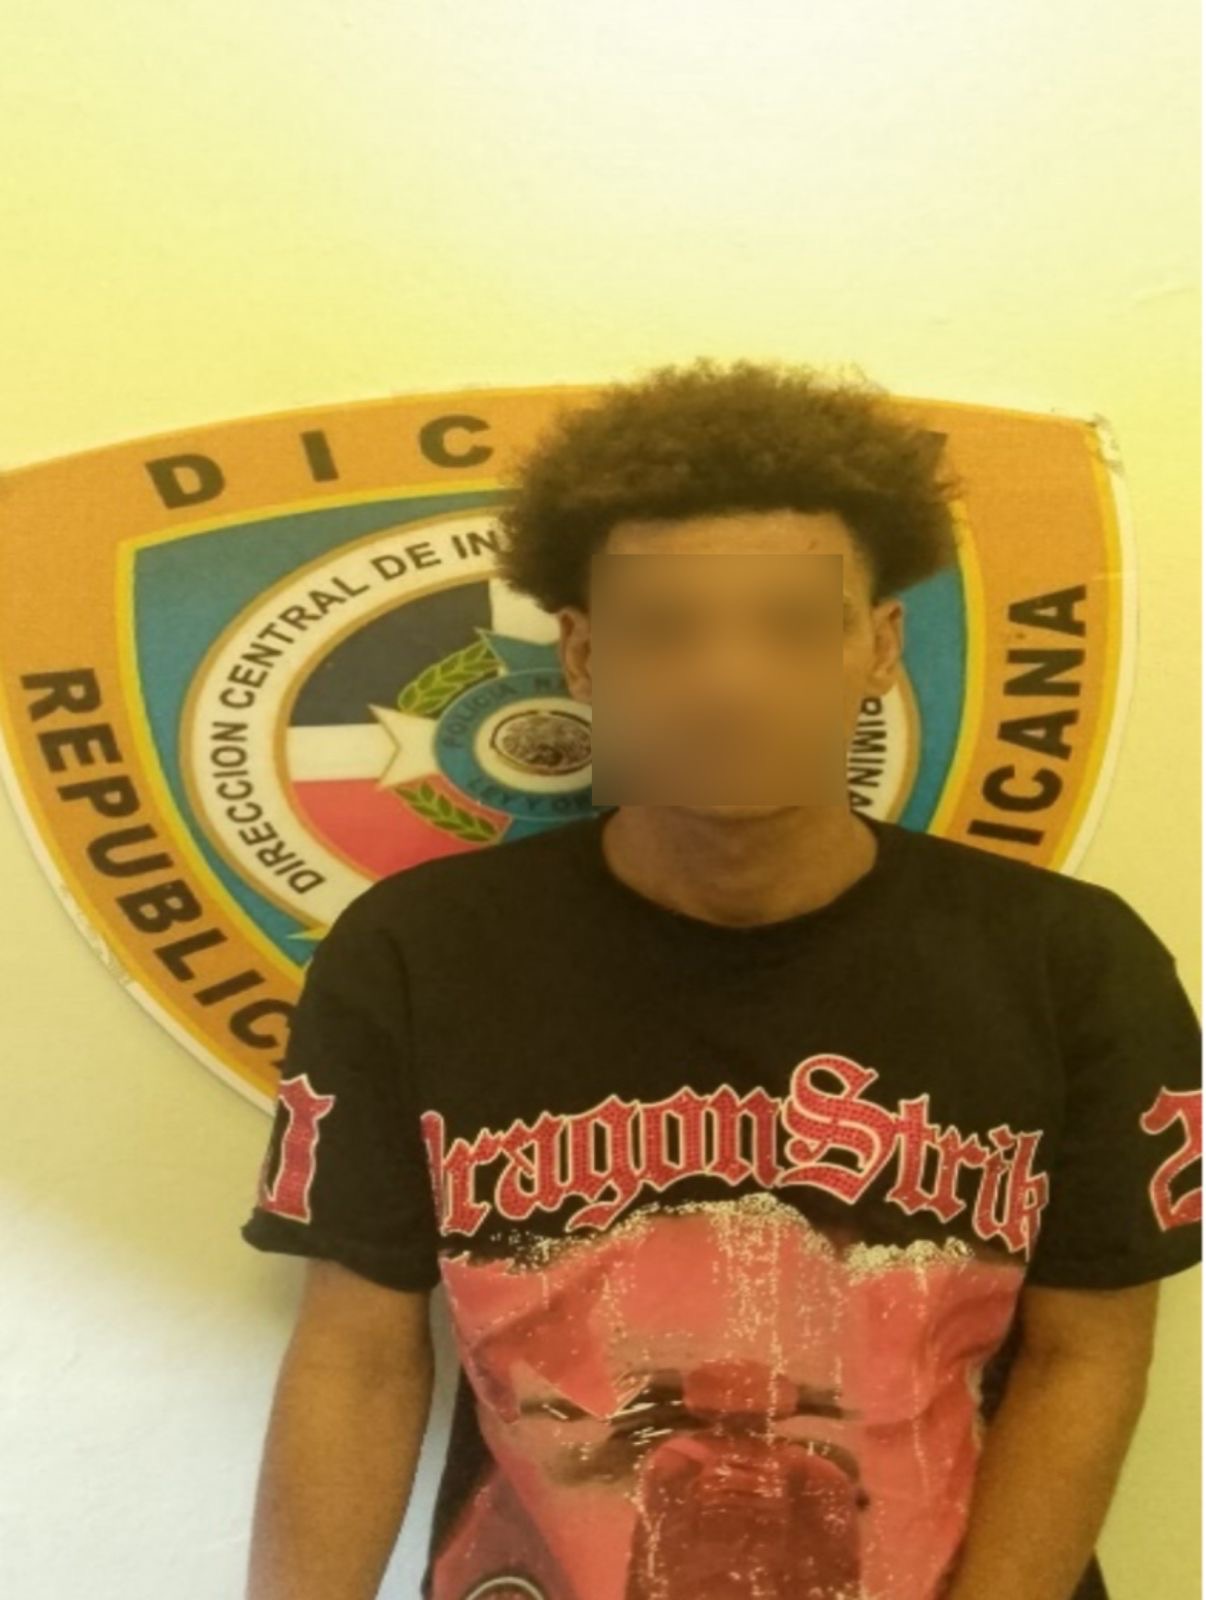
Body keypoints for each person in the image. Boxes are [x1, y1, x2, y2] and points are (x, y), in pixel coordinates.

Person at [240, 357, 1202, 1600]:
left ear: (877, 646)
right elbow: (358, 1356)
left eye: (792, 625)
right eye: (666, 629)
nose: (729, 680)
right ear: (583, 653)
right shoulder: (414, 955)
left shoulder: (1071, 960)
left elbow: (1090, 1354)